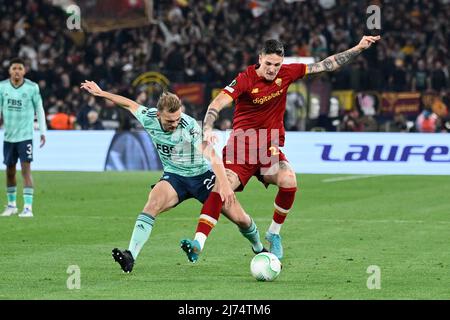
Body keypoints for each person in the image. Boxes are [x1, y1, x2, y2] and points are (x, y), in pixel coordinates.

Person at [192, 36, 381, 260]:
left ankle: (273, 233)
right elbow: (217, 103)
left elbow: (326, 64)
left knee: (289, 179)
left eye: (277, 65)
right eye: (268, 64)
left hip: (268, 149)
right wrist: (207, 129)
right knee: (222, 189)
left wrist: (358, 47)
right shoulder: (245, 79)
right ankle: (198, 243)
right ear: (260, 58)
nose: (272, 69)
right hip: (241, 148)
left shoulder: (287, 73)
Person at [80, 81, 265, 272]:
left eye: (177, 119)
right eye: (170, 121)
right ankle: (130, 256)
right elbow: (128, 104)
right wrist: (102, 93)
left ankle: (259, 248)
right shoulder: (149, 117)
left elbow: (214, 157)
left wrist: (225, 186)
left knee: (241, 218)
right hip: (175, 177)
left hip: (201, 177)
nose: (175, 124)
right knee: (152, 203)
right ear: (158, 114)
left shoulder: (189, 127)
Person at [0, 58, 47, 218]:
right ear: (10, 71)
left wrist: (43, 131)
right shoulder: (3, 87)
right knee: (9, 172)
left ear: (24, 71)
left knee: (26, 171)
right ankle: (12, 205)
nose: (17, 71)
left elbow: (39, 109)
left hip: (25, 137)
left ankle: (28, 207)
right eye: (14, 68)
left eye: (20, 68)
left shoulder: (32, 88)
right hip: (8, 137)